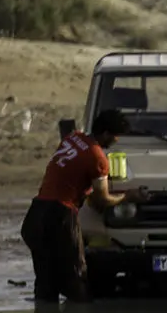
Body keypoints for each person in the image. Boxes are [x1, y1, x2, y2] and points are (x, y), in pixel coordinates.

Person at [20, 109, 149, 303]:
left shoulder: (72, 138)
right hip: (60, 217)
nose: (116, 141)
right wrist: (128, 196)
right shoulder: (97, 157)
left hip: (36, 214)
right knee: (76, 280)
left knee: (46, 283)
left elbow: (70, 173)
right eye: (116, 136)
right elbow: (103, 200)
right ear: (106, 134)